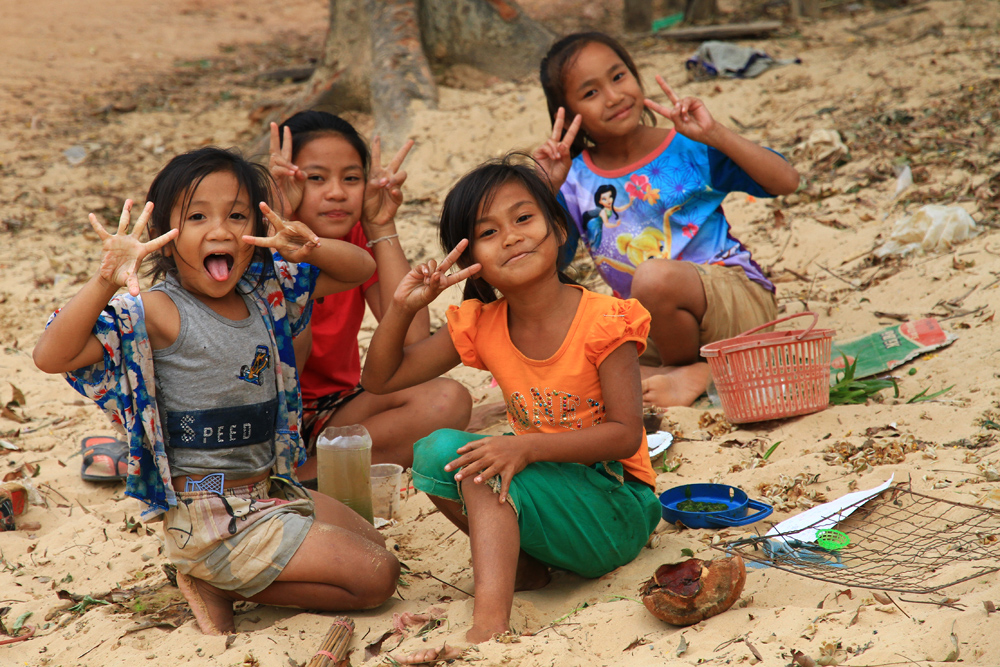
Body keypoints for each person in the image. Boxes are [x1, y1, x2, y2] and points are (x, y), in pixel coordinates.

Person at [33, 147, 400, 635]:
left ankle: (226, 578)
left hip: (267, 491)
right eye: (198, 216)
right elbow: (50, 355)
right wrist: (106, 277)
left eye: (237, 215)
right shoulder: (160, 309)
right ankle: (215, 581)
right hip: (208, 512)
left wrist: (305, 245)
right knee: (377, 577)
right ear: (164, 238)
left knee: (373, 544)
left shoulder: (263, 292)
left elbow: (360, 268)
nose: (222, 230)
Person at [361, 154, 661, 655]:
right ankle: (524, 568)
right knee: (437, 450)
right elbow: (380, 379)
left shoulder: (606, 319)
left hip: (617, 508)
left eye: (524, 218)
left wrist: (525, 450)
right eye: (488, 231)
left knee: (490, 463)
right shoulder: (482, 321)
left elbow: (625, 433)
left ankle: (488, 628)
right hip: (545, 497)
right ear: (470, 259)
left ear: (558, 229)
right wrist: (401, 308)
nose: (512, 236)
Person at [534, 32, 801, 408]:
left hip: (733, 305)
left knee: (655, 277)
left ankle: (685, 372)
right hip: (648, 328)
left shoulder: (688, 147)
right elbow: (549, 264)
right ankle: (696, 372)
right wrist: (544, 190)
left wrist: (716, 135)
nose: (613, 97)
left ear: (635, 75)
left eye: (618, 76)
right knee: (566, 366)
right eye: (590, 93)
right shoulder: (574, 180)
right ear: (567, 114)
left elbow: (786, 181)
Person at [268, 111, 472, 475]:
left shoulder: (356, 242)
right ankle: (300, 475)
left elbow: (413, 342)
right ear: (283, 182)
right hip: (265, 416)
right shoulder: (257, 243)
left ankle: (305, 476)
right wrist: (280, 212)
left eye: (351, 179)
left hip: (334, 410)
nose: (336, 192)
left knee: (447, 400)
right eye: (316, 178)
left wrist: (381, 223)